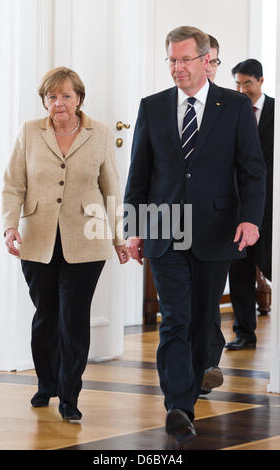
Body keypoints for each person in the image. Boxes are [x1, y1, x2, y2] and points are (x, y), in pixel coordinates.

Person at [124, 26, 266, 442]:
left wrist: (250, 219)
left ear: (206, 61)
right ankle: (178, 407)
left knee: (203, 318)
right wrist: (134, 230)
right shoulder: (151, 107)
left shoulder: (236, 106)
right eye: (171, 59)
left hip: (216, 229)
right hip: (164, 230)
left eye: (184, 59)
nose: (176, 67)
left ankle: (195, 382)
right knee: (175, 319)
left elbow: (252, 170)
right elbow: (139, 175)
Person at [2, 66, 129, 422]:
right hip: (37, 238)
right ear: (44, 100)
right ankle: (47, 384)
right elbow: (13, 184)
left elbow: (111, 189)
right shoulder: (29, 132)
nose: (58, 103)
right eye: (51, 97)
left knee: (73, 318)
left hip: (87, 241)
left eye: (66, 96)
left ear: (79, 98)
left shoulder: (100, 133)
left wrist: (119, 238)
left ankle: (70, 395)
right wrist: (10, 226)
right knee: (46, 315)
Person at [225, 59, 274, 350]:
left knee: (270, 264)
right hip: (238, 205)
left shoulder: (277, 111)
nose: (242, 89)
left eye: (248, 83)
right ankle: (245, 332)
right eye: (238, 83)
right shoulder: (230, 112)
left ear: (261, 81)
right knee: (239, 271)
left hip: (271, 207)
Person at [200, 34, 225, 394]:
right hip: (172, 220)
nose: (209, 68)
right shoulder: (162, 107)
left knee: (207, 299)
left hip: (219, 222)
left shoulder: (229, 107)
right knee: (179, 308)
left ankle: (207, 362)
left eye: (214, 62)